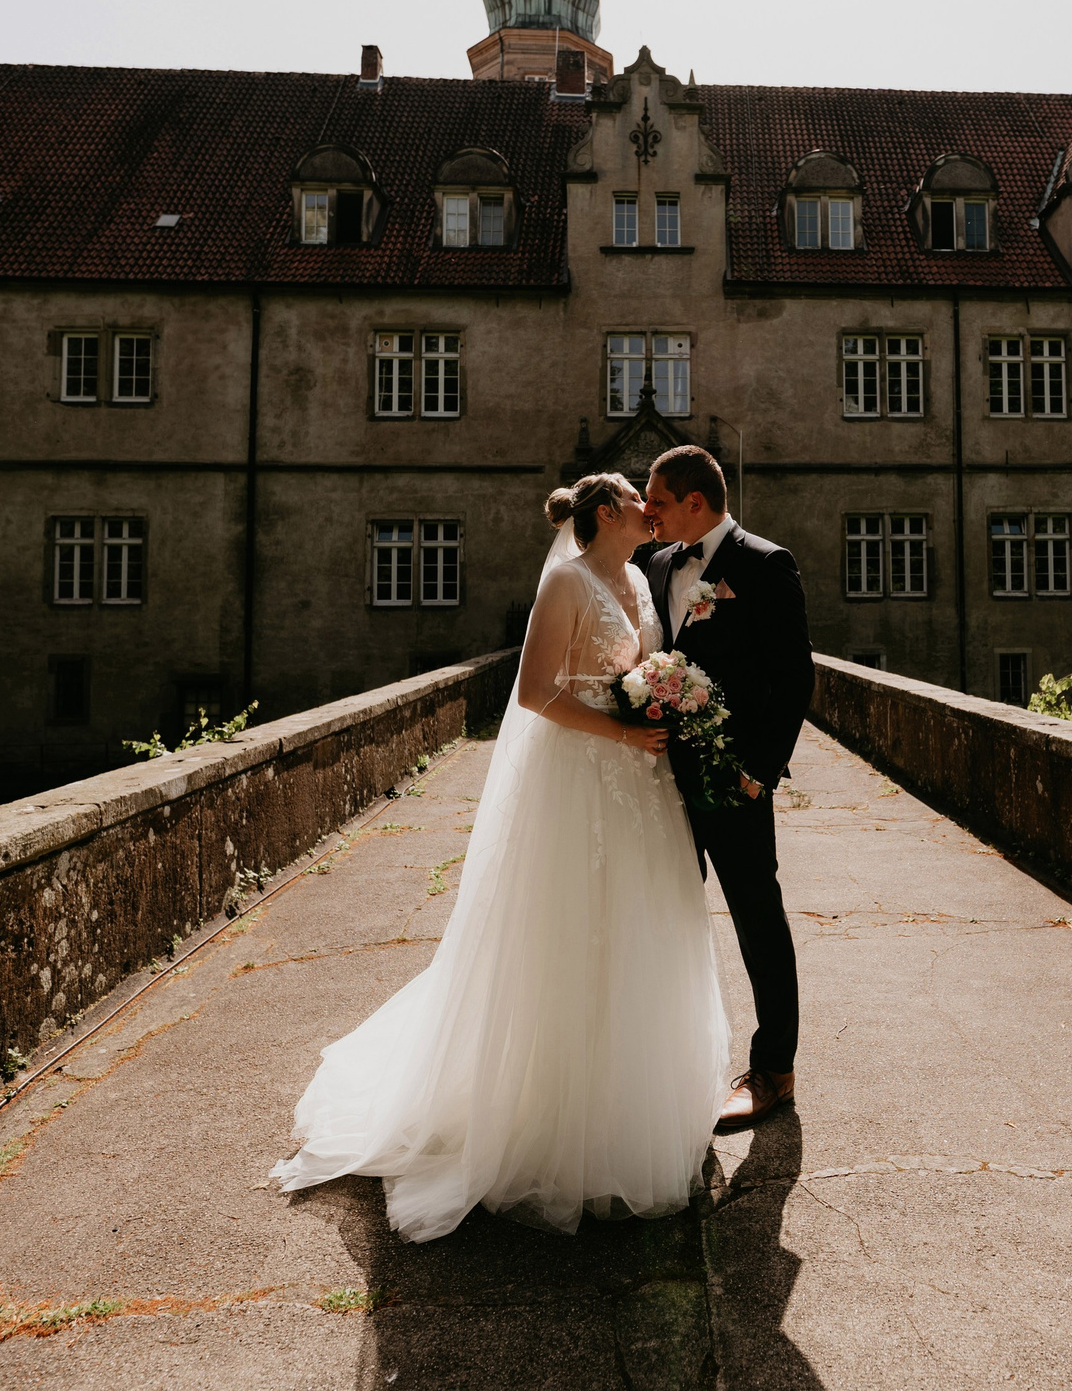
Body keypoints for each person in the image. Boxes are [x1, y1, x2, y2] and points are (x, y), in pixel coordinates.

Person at [270, 473, 731, 1241]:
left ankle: (625, 1106)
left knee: (637, 937)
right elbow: (532, 693)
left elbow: (640, 668)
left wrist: (662, 694)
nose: (650, 510)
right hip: (581, 778)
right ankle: (553, 1121)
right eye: (635, 497)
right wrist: (622, 732)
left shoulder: (639, 582)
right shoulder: (568, 582)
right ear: (608, 513)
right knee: (568, 940)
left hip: (639, 787)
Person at [640, 445, 815, 1134]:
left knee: (755, 918)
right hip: (654, 780)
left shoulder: (765, 563)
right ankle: (661, 1062)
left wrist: (759, 771)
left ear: (693, 501)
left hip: (731, 779)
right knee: (659, 916)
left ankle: (774, 1069)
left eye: (655, 499)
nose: (645, 510)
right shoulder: (654, 564)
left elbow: (793, 678)